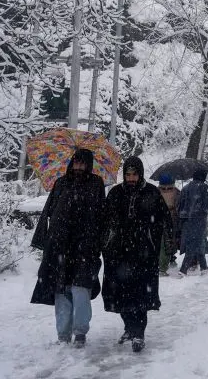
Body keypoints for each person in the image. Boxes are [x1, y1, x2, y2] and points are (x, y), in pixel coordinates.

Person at [29, 148, 106, 346]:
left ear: (88, 165)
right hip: (60, 246)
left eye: (82, 164)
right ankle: (62, 334)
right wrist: (45, 239)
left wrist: (97, 241)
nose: (78, 167)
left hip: (84, 247)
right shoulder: (61, 183)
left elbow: (99, 214)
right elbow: (50, 210)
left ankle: (80, 332)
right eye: (76, 163)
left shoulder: (96, 183)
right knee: (61, 291)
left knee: (81, 289)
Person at [101, 157, 171, 353]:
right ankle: (129, 328)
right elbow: (105, 220)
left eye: (135, 174)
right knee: (120, 294)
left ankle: (139, 333)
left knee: (140, 295)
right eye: (128, 175)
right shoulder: (116, 193)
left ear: (140, 174)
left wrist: (153, 237)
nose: (131, 178)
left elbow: (163, 221)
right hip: (118, 253)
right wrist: (107, 240)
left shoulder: (151, 193)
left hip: (143, 254)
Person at [176, 167, 208, 277]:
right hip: (199, 220)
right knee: (196, 244)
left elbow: (179, 206)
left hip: (186, 221)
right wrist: (207, 212)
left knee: (196, 243)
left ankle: (204, 267)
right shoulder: (204, 187)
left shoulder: (186, 188)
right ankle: (183, 270)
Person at [156, 175, 181, 276]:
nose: (166, 190)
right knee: (166, 240)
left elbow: (179, 205)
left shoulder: (156, 191)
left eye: (169, 188)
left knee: (170, 239)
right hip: (164, 219)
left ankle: (170, 259)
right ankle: (165, 262)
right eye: (164, 188)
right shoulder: (156, 192)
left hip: (170, 219)